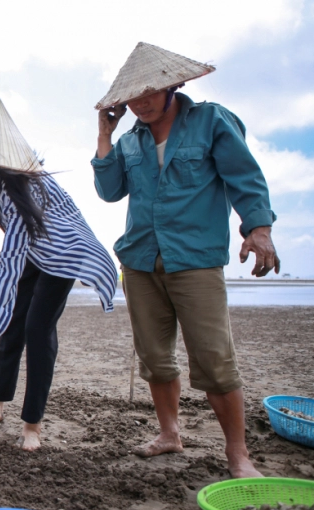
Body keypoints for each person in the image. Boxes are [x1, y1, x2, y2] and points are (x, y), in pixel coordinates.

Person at [91, 42, 280, 478]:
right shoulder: (130, 140)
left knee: (214, 359)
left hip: (194, 260)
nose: (140, 102)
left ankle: (238, 454)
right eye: (131, 97)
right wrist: (104, 135)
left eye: (150, 91)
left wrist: (259, 227)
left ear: (174, 84)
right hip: (139, 261)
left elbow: (245, 177)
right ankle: (169, 433)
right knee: (154, 358)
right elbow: (109, 190)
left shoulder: (211, 121)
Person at [0, 98, 117, 451]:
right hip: (28, 246)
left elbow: (9, 264)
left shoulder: (23, 190)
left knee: (37, 327)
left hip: (63, 249)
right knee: (10, 323)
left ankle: (32, 425)